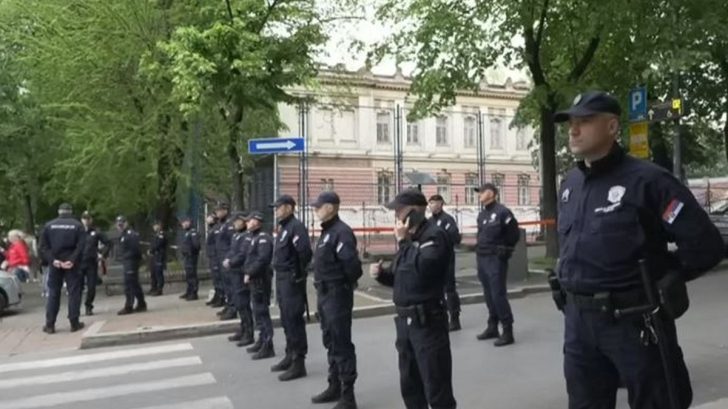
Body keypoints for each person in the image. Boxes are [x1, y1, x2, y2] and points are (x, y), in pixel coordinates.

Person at [553, 91, 724, 409]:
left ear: (612, 126)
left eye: (584, 121)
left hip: (634, 322)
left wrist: (667, 276)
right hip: (579, 324)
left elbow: (706, 245)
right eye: (570, 123)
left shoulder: (648, 181)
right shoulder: (571, 183)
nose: (573, 130)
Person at [371, 189, 457, 409]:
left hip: (428, 321)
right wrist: (382, 275)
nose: (396, 215)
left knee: (436, 388)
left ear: (415, 211)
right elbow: (401, 276)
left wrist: (404, 242)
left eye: (400, 210)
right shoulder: (409, 239)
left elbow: (424, 269)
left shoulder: (434, 235)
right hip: (405, 323)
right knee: (410, 387)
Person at [311, 191, 362, 409]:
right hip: (325, 294)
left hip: (336, 294)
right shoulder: (327, 232)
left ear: (330, 207)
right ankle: (334, 385)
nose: (316, 210)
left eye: (319, 206)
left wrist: (342, 286)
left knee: (341, 343)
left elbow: (352, 266)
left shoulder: (341, 232)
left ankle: (348, 395)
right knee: (330, 341)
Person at [270, 195, 313, 381]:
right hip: (282, 278)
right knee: (286, 318)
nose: (276, 210)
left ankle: (298, 362)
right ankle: (290, 354)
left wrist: (297, 273)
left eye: (278, 207)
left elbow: (304, 253)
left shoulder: (296, 227)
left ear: (288, 207)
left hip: (291, 279)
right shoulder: (284, 227)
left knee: (294, 319)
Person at [474, 182, 520, 347]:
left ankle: (507, 330)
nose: (479, 194)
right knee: (488, 294)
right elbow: (481, 235)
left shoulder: (502, 212)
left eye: (481, 191)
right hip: (482, 257)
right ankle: (492, 326)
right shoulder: (482, 215)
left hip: (495, 259)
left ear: (491, 193)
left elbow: (514, 233)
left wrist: (506, 249)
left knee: (498, 294)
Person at [39, 203, 86, 333]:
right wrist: (72, 260)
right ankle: (74, 322)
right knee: (74, 292)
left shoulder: (49, 225)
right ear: (70, 211)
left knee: (53, 293)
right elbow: (81, 246)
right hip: (72, 263)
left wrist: (53, 260)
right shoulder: (77, 225)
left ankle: (50, 324)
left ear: (59, 211)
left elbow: (43, 247)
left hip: (55, 263)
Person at [242, 211, 275, 360]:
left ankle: (268, 345)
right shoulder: (254, 237)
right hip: (255, 280)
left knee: (262, 312)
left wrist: (250, 273)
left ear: (256, 222)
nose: (247, 223)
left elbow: (262, 260)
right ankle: (262, 340)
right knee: (257, 312)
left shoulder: (263, 238)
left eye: (249, 221)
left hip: (261, 280)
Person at [428, 194, 463, 331]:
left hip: (446, 258)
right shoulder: (430, 221)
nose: (431, 205)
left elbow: (455, 237)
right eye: (430, 203)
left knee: (449, 289)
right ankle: (439, 317)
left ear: (440, 204)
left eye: (433, 203)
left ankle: (454, 318)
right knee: (436, 289)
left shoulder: (447, 219)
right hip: (433, 259)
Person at [223, 211, 254, 347]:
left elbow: (242, 254)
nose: (235, 223)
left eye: (237, 221)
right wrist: (227, 258)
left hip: (240, 272)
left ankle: (249, 332)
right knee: (238, 302)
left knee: (243, 304)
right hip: (234, 273)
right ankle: (243, 328)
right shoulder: (236, 236)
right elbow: (232, 251)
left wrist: (231, 262)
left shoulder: (246, 237)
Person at [80, 211, 110, 315]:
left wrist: (102, 254)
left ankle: (88, 306)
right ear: (81, 220)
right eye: (84, 219)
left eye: (88, 219)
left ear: (91, 220)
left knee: (91, 287)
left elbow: (108, 243)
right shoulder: (77, 231)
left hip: (91, 262)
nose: (86, 221)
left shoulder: (96, 232)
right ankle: (75, 308)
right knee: (77, 287)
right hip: (79, 262)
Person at [116, 215, 146, 315]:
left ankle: (129, 306)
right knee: (134, 284)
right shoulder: (123, 235)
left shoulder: (131, 234)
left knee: (129, 284)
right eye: (119, 225)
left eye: (122, 224)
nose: (120, 226)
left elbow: (135, 249)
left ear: (126, 223)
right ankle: (141, 303)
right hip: (127, 261)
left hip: (131, 261)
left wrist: (131, 259)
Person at [214, 203, 236, 314]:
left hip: (226, 257)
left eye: (219, 211)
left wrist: (228, 258)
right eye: (216, 211)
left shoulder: (229, 224)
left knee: (230, 284)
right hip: (220, 257)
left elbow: (232, 243)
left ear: (225, 211)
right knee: (225, 284)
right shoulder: (221, 224)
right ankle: (228, 304)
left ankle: (233, 307)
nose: (217, 213)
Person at [179, 216, 201, 301]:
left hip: (191, 256)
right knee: (188, 275)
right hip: (187, 257)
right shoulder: (187, 232)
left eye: (184, 222)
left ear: (189, 222)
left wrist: (190, 251)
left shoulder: (193, 232)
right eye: (182, 223)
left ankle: (193, 292)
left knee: (192, 275)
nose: (183, 224)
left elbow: (196, 245)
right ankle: (189, 291)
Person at [148, 221, 168, 296]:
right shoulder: (155, 235)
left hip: (159, 256)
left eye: (156, 225)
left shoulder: (161, 234)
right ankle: (153, 287)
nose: (154, 227)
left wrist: (151, 250)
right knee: (153, 273)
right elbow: (152, 244)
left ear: (159, 226)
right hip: (153, 256)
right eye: (154, 226)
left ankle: (159, 289)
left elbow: (158, 244)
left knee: (158, 273)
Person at [204, 213, 220, 306]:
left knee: (218, 278)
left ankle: (220, 297)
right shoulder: (212, 229)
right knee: (215, 278)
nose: (207, 219)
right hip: (212, 256)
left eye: (209, 217)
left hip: (215, 256)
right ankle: (217, 295)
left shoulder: (216, 229)